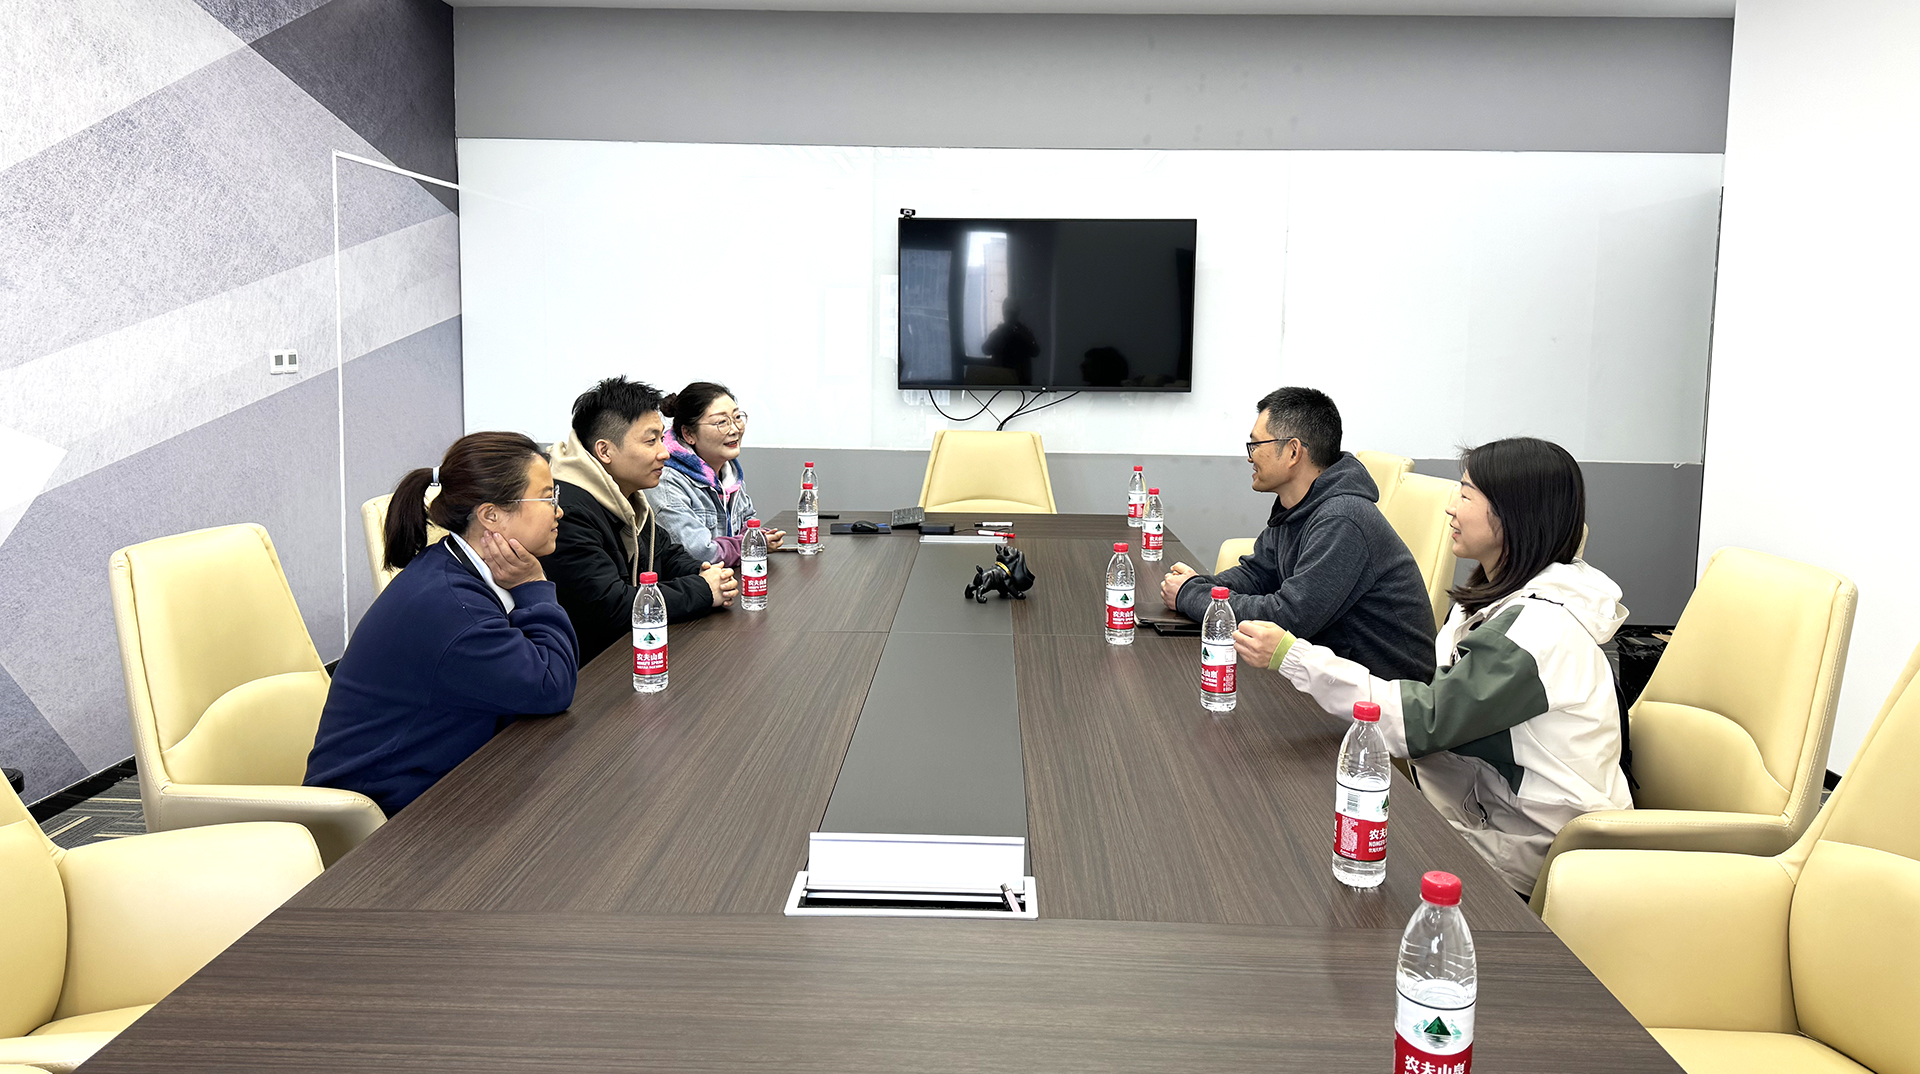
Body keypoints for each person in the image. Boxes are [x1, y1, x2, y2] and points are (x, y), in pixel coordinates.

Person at [1235, 436, 1633, 897]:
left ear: (1513, 514)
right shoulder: (1493, 602)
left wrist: (1296, 657)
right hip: (1480, 816)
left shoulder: (1538, 631)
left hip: (1533, 855)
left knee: (1309, 852)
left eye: (1466, 494)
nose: (1451, 508)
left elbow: (1422, 722)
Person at [305, 432, 578, 816]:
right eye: (548, 497)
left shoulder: (457, 566)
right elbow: (552, 686)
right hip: (384, 816)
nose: (558, 511)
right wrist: (533, 586)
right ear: (491, 515)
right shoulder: (455, 608)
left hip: (437, 777)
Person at [1158, 387, 1434, 682]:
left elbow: (1288, 619)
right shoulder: (1297, 508)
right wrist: (1198, 586)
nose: (1250, 457)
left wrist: (1191, 595)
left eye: (1256, 445)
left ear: (1292, 451)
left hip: (1382, 694)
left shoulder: (1343, 518)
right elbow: (1256, 575)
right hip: (1330, 676)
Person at [542, 376, 737, 663]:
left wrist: (706, 572)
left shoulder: (624, 493)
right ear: (604, 451)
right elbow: (612, 606)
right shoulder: (568, 512)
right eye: (650, 441)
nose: (664, 452)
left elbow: (665, 554)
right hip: (593, 672)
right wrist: (704, 589)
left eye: (661, 438)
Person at [646, 381, 785, 568]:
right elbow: (699, 553)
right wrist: (751, 544)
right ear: (689, 434)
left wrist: (761, 536)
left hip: (729, 578)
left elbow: (748, 521)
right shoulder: (667, 481)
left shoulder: (729, 473)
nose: (734, 429)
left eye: (737, 417)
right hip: (697, 583)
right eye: (721, 422)